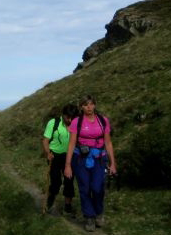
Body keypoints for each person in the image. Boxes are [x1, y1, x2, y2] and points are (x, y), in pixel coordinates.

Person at [64, 95, 117, 232]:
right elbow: (71, 144)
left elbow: (108, 143)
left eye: (91, 104)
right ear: (81, 107)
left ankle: (98, 212)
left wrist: (113, 164)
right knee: (84, 188)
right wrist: (68, 165)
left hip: (99, 158)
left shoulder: (103, 121)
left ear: (95, 105)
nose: (89, 107)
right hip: (80, 159)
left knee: (98, 188)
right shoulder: (77, 122)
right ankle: (89, 217)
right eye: (86, 105)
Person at [42, 104, 78, 215]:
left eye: (72, 117)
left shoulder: (76, 124)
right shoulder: (53, 123)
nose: (70, 120)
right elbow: (45, 140)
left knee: (69, 180)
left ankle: (67, 206)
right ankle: (51, 198)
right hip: (54, 155)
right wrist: (48, 153)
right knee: (56, 180)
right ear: (63, 115)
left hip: (70, 155)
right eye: (68, 117)